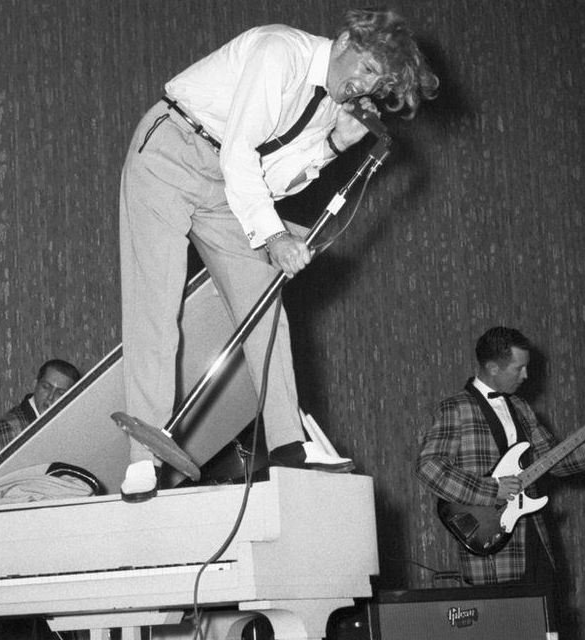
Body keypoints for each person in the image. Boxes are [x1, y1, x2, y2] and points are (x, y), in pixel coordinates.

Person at [118, 7, 439, 501]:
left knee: (264, 304)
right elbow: (240, 150)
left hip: (226, 184)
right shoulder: (280, 51)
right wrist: (273, 237)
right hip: (172, 148)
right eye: (368, 68)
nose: (366, 87)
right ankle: (144, 456)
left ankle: (288, 444)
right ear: (346, 41)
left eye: (378, 84)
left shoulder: (332, 104)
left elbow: (275, 181)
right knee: (156, 305)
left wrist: (335, 143)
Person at [414, 326, 585, 587]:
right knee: (505, 613)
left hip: (534, 537)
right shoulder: (456, 408)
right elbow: (429, 468)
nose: (526, 375)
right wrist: (492, 489)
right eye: (519, 368)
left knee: (545, 611)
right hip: (491, 543)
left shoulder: (522, 408)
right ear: (493, 368)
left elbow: (555, 462)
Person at [0, 359, 81, 452]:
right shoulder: (9, 426)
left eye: (60, 393)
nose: (50, 397)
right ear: (34, 385)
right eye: (46, 387)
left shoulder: (73, 427)